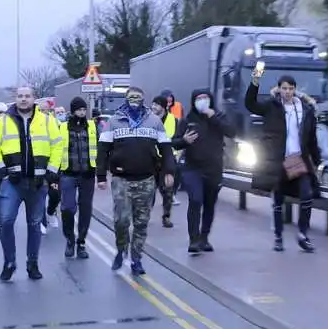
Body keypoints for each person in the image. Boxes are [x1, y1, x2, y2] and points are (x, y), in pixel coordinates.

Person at [0, 87, 63, 281]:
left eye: (27, 96)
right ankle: (9, 263)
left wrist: (51, 173)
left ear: (33, 99)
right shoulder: (2, 121)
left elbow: (57, 145)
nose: (23, 99)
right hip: (11, 182)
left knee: (35, 224)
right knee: (6, 221)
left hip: (38, 182)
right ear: (16, 99)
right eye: (20, 96)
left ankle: (33, 264)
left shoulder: (47, 121)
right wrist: (0, 171)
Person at [97, 86, 175, 275]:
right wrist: (101, 176)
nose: (134, 100)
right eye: (131, 97)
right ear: (126, 99)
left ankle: (136, 258)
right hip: (121, 180)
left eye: (138, 97)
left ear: (143, 99)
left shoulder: (154, 121)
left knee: (141, 223)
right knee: (122, 220)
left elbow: (166, 149)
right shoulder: (114, 121)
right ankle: (121, 248)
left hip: (146, 179)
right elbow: (102, 150)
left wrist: (168, 171)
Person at [245, 72, 321, 252]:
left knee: (307, 195)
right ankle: (278, 236)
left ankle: (303, 234)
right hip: (278, 160)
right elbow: (250, 104)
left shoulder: (305, 109)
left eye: (291, 88)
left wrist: (316, 161)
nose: (287, 92)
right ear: (278, 89)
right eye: (284, 88)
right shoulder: (271, 107)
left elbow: (311, 139)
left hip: (297, 159)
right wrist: (255, 82)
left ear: (295, 90)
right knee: (278, 199)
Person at [172, 89, 236, 253]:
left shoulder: (218, 116)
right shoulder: (187, 120)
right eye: (198, 99)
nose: (202, 101)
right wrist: (184, 141)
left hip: (214, 169)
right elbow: (175, 142)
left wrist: (212, 116)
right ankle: (193, 239)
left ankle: (204, 238)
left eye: (205, 98)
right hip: (193, 168)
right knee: (195, 199)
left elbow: (231, 132)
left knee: (209, 204)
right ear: (193, 101)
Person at [58, 97, 97, 259]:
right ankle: (70, 239)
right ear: (73, 110)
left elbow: (100, 148)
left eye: (84, 109)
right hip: (68, 173)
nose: (82, 112)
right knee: (67, 208)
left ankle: (81, 242)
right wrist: (54, 175)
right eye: (79, 109)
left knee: (86, 209)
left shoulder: (93, 126)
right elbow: (57, 149)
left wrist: (99, 171)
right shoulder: (63, 127)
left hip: (87, 173)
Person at [151, 96, 179, 227]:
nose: (153, 107)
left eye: (156, 105)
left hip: (167, 159)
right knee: (149, 190)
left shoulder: (172, 120)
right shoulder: (148, 119)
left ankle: (166, 217)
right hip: (151, 159)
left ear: (163, 107)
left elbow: (172, 137)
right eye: (153, 105)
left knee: (167, 190)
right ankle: (144, 216)